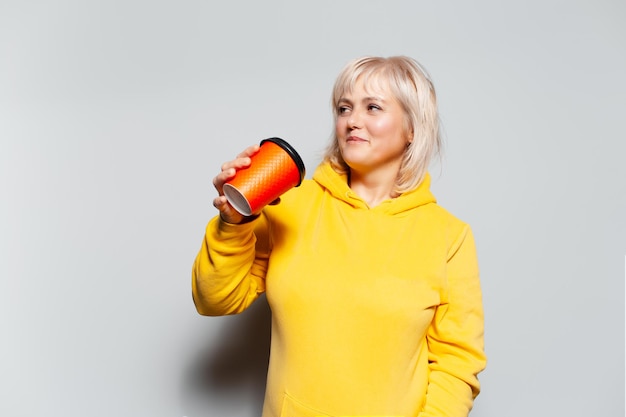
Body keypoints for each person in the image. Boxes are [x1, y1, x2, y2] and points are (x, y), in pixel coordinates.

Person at [192, 55, 486, 417]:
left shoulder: (448, 237)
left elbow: (457, 364)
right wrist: (234, 222)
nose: (352, 121)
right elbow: (214, 300)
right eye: (344, 108)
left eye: (372, 107)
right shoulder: (290, 205)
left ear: (412, 128)